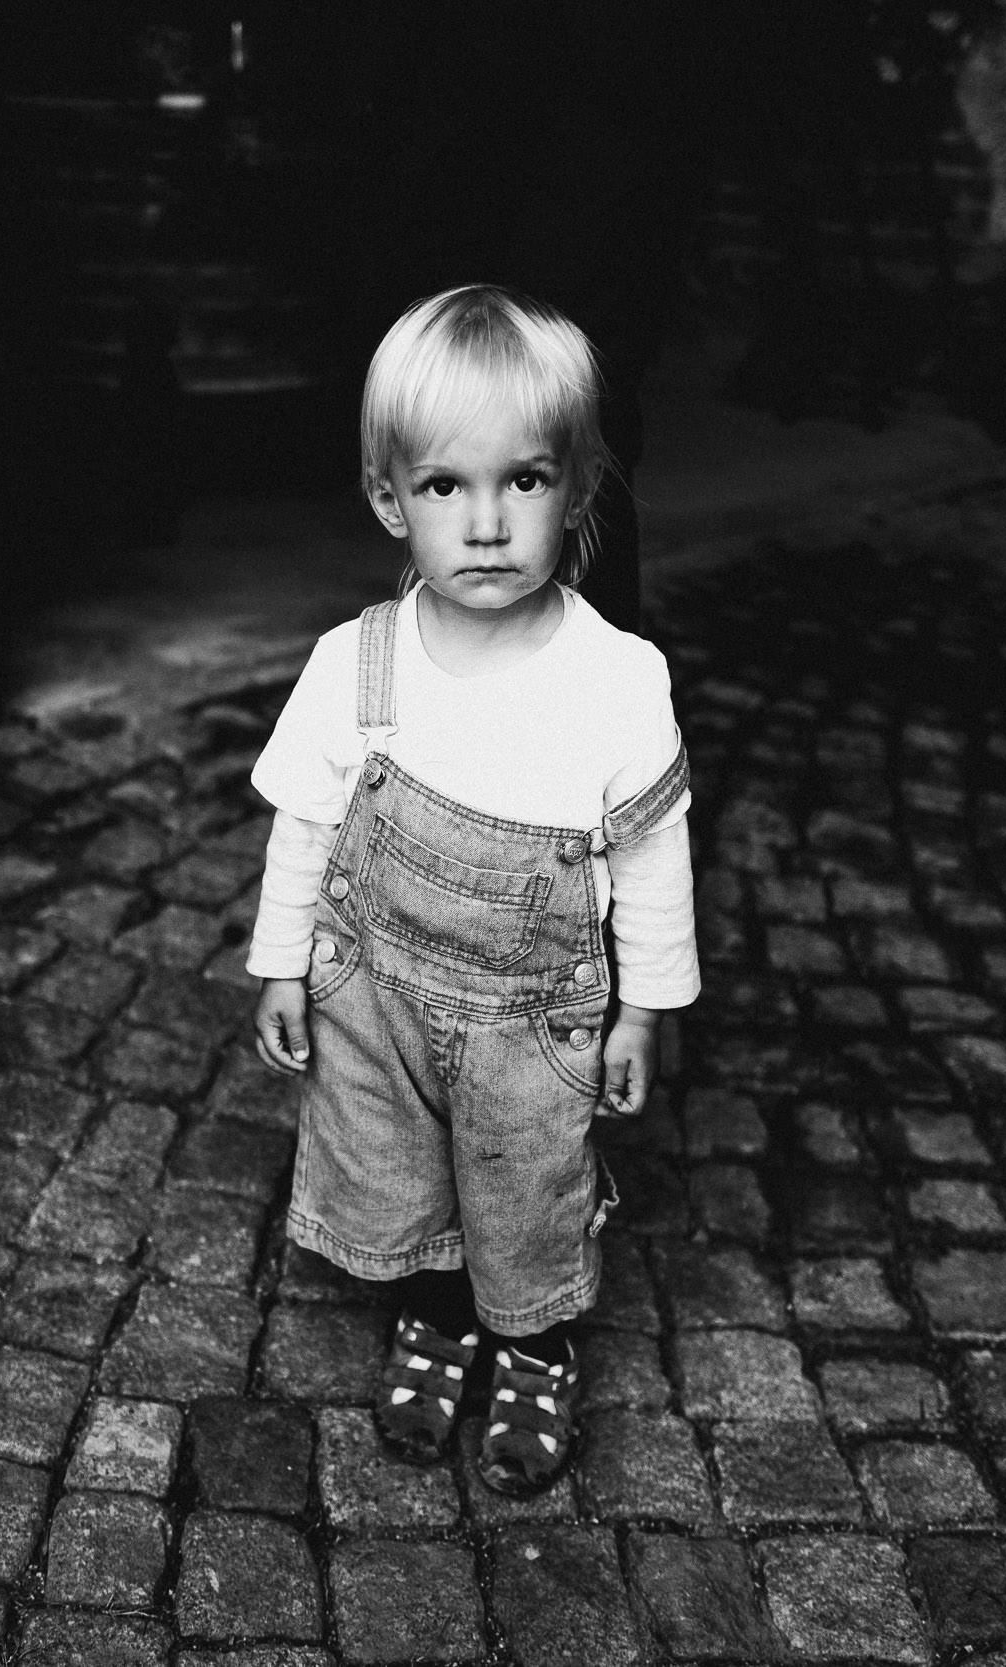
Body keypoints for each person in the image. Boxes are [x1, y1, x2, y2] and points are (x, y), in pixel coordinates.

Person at [245, 286, 700, 1496]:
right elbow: (306, 824)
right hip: (376, 999)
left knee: (524, 1189)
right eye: (446, 485)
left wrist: (644, 1010)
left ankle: (534, 1346)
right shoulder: (357, 664)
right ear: (390, 498)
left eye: (525, 480)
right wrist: (280, 959)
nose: (488, 524)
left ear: (579, 488)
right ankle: (437, 1313)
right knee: (399, 1169)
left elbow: (653, 859)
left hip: (529, 1026)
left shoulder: (614, 681)